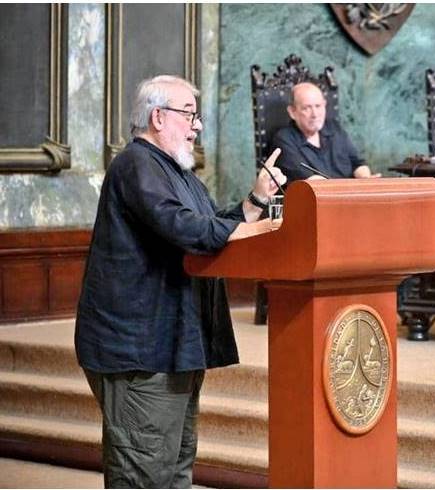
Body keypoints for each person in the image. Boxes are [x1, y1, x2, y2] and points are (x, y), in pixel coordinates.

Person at [74, 75, 286, 488]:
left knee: (174, 470)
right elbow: (184, 229)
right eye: (189, 114)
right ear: (158, 117)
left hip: (173, 346)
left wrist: (257, 202)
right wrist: (265, 229)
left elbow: (210, 225)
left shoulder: (177, 172)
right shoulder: (136, 164)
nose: (198, 125)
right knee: (145, 475)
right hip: (140, 352)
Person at [272, 81, 381, 181]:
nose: (314, 114)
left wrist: (366, 179)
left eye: (318, 106)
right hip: (317, 198)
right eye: (306, 108)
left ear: (324, 105)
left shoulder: (334, 129)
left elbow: (357, 163)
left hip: (350, 196)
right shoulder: (284, 140)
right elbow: (311, 181)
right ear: (292, 112)